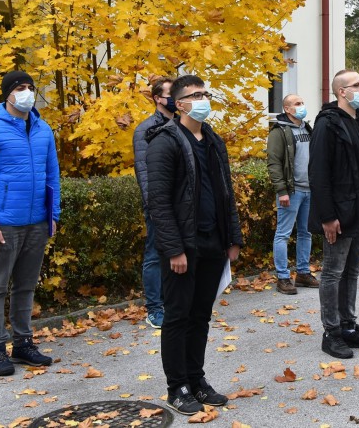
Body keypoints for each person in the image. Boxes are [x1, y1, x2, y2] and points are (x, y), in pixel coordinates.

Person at [145, 74, 244, 415]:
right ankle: (178, 387)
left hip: (213, 243)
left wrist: (233, 238)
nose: (204, 99)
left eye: (206, 93)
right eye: (196, 94)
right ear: (179, 102)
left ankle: (197, 379)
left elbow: (225, 193)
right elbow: (158, 201)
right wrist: (173, 249)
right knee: (177, 316)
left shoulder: (213, 140)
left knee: (200, 315)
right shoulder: (164, 141)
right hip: (182, 247)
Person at [0, 70, 60, 377]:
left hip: (36, 222)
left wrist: (53, 215)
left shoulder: (43, 129)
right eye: (20, 87)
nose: (26, 92)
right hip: (3, 225)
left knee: (26, 286)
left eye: (30, 87)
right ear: (7, 93)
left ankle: (23, 344)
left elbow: (52, 176)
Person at [309, 70, 359, 359]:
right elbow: (318, 172)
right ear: (342, 91)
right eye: (358, 85)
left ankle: (348, 326)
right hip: (339, 214)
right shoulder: (328, 124)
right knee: (333, 272)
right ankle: (332, 333)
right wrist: (327, 215)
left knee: (352, 272)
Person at [133, 77, 175, 328]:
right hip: (159, 204)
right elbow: (144, 171)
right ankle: (155, 308)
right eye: (170, 94)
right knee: (154, 254)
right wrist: (154, 205)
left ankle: (173, 302)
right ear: (158, 98)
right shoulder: (146, 129)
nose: (175, 98)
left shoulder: (182, 124)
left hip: (181, 203)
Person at [267, 94, 318, 295]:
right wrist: (282, 191)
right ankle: (283, 277)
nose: (301, 106)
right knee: (283, 234)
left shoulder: (307, 128)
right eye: (297, 104)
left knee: (306, 232)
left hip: (309, 189)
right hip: (292, 191)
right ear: (287, 109)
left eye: (302, 102)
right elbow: (274, 163)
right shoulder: (279, 131)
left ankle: (303, 273)